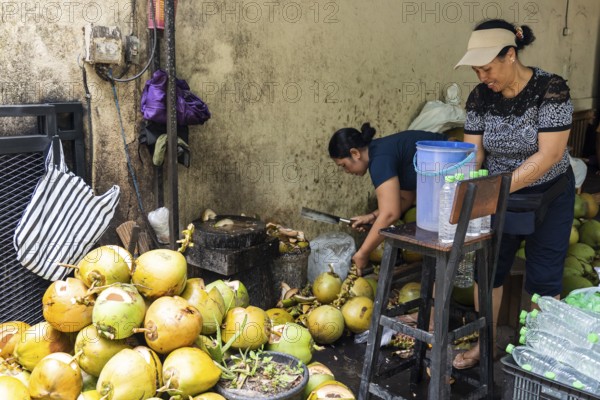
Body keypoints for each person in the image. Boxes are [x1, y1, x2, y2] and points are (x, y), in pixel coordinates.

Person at [452, 19, 575, 369]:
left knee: (544, 276)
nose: (482, 77)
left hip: (549, 195)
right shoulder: (480, 97)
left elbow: (549, 154)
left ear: (510, 55)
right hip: (499, 196)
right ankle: (486, 343)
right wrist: (459, 181)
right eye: (476, 70)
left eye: (487, 68)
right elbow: (474, 153)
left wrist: (496, 187)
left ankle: (536, 350)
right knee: (488, 272)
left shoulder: (551, 89)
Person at [328, 123, 446, 274]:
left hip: (458, 165)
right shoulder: (381, 151)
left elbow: (390, 214)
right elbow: (404, 199)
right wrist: (372, 216)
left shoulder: (379, 160)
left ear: (355, 153)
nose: (346, 171)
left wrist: (363, 253)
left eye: (343, 165)